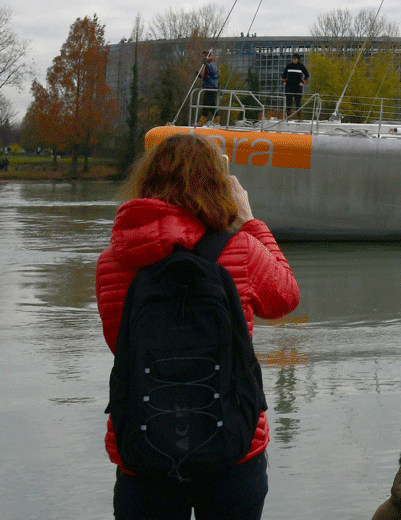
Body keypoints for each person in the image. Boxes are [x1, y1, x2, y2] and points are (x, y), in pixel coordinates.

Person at [96, 133, 302, 520]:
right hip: (233, 441)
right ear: (218, 185)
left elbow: (118, 344)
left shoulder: (114, 260)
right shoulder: (238, 248)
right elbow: (285, 298)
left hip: (143, 443)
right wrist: (250, 221)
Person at [198, 50, 222, 125]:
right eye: (202, 57)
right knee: (211, 104)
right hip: (208, 86)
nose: (203, 58)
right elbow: (208, 76)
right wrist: (201, 77)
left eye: (205, 56)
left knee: (206, 103)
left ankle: (203, 118)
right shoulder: (208, 65)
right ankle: (216, 117)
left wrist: (207, 64)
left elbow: (213, 72)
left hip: (212, 87)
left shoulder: (212, 64)